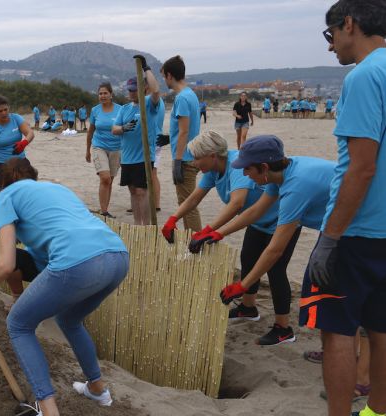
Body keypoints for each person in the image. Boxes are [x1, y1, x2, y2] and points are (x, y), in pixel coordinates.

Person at [0, 158, 129, 416]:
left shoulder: (4, 197)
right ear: (32, 176)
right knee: (69, 320)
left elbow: (5, 264)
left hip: (76, 262)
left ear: (3, 183)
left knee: (18, 324)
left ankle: (47, 410)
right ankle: (98, 390)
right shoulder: (56, 189)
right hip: (118, 257)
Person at [300, 2, 386, 415]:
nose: (330, 46)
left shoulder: (365, 75)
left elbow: (361, 166)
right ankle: (377, 411)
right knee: (381, 327)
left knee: (335, 327)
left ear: (349, 24)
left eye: (330, 35)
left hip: (357, 230)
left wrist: (330, 237)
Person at [164, 132, 302, 346]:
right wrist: (173, 218)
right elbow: (194, 198)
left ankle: (283, 329)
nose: (193, 162)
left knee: (276, 271)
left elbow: (237, 203)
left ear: (211, 155)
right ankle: (248, 308)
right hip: (256, 220)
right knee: (248, 259)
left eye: (197, 158)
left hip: (282, 221)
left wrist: (210, 230)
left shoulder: (237, 165)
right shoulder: (213, 169)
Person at [204, 136, 335, 347]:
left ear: (263, 167)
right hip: (335, 221)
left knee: (326, 282)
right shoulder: (278, 174)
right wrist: (218, 233)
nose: (244, 174)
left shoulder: (295, 188)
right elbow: (255, 211)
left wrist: (242, 285)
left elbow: (275, 249)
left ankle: (288, 331)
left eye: (248, 169)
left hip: (355, 220)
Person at [112, 61, 162, 225]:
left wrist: (146, 69)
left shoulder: (148, 104)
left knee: (142, 191)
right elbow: (114, 129)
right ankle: (137, 224)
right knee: (133, 191)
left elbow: (156, 90)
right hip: (127, 157)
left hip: (143, 157)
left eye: (135, 89)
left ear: (143, 89)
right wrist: (124, 128)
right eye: (130, 90)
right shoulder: (124, 108)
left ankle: (146, 225)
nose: (132, 93)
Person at [160, 55, 202, 232]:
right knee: (187, 203)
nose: (164, 81)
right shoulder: (190, 94)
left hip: (185, 159)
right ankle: (191, 241)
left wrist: (177, 161)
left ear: (170, 75)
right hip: (190, 154)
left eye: (164, 77)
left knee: (187, 205)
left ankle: (194, 244)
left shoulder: (182, 98)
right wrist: (170, 138)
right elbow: (186, 128)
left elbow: (184, 130)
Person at [85, 82, 123, 218]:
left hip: (116, 148)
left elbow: (125, 130)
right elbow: (90, 132)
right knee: (105, 178)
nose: (102, 96)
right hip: (99, 146)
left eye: (105, 93)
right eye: (100, 93)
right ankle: (103, 211)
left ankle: (105, 210)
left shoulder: (120, 109)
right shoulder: (95, 110)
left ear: (111, 95)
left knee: (110, 180)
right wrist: (87, 150)